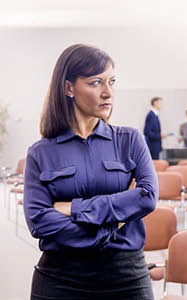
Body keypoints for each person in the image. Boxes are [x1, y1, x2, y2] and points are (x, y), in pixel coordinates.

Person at [24, 43, 157, 299]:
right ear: (68, 88)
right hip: (60, 279)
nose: (108, 93)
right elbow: (40, 221)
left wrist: (72, 208)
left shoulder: (129, 140)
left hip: (126, 277)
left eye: (112, 82)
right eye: (96, 83)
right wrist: (114, 223)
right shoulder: (40, 153)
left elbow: (147, 197)